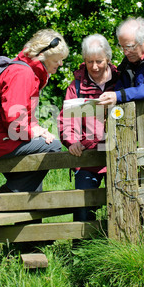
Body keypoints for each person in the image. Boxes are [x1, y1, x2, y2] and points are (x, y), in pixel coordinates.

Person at [0, 29, 69, 192]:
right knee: (53, 147)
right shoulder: (22, 73)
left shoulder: (29, 72)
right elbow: (15, 121)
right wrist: (34, 132)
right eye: (58, 59)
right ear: (44, 55)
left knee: (32, 187)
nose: (60, 64)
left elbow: (25, 115)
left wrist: (38, 130)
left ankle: (26, 208)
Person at [59, 34, 120, 221]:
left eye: (99, 61)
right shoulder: (76, 86)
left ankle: (120, 247)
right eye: (89, 61)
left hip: (118, 153)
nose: (94, 67)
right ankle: (81, 249)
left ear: (108, 59)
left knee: (121, 206)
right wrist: (72, 141)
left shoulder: (122, 81)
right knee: (83, 209)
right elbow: (67, 118)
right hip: (87, 156)